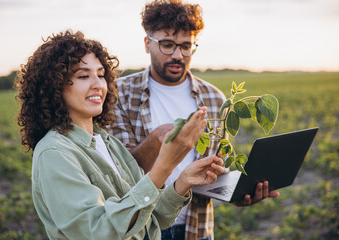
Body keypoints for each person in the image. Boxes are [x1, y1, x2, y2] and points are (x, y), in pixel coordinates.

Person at [14, 30, 226, 240]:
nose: (98, 84)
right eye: (84, 76)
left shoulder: (107, 142)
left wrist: (183, 181)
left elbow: (147, 218)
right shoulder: (55, 152)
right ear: (54, 85)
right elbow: (98, 232)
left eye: (101, 74)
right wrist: (164, 167)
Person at [109, 0, 280, 239]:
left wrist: (237, 193)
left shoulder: (214, 98)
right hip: (140, 228)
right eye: (167, 45)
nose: (178, 55)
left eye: (186, 46)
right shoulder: (120, 94)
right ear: (147, 43)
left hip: (196, 229)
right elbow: (118, 175)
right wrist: (158, 139)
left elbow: (215, 172)